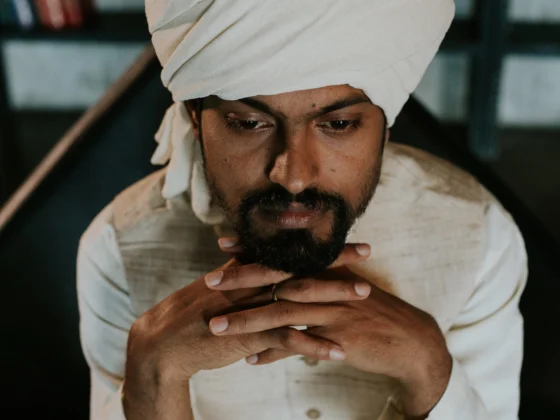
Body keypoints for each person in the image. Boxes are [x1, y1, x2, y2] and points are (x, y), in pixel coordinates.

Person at [77, 1, 527, 419]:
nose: (293, 177)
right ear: (196, 118)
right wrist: (153, 374)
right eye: (250, 123)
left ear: (384, 125)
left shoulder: (478, 236)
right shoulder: (119, 247)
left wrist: (430, 368)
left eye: (338, 124)